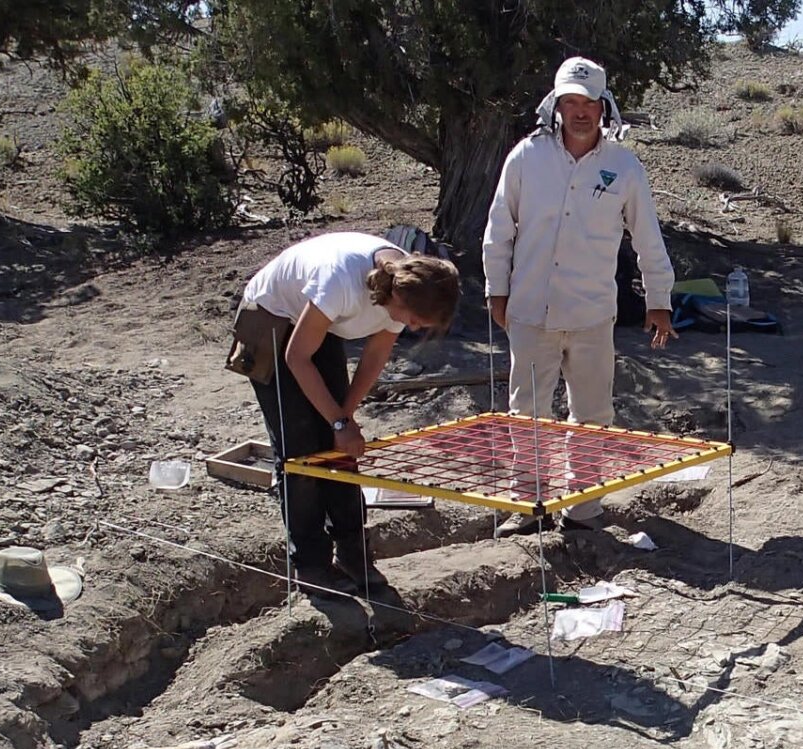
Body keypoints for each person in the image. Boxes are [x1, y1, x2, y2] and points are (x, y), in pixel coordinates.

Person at [483, 55, 677, 537]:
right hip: (530, 310)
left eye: (588, 102)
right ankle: (528, 504)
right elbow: (498, 230)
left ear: (603, 105)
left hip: (592, 315)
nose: (580, 111)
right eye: (571, 101)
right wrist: (496, 290)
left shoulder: (624, 167)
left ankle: (584, 509)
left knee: (591, 414)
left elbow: (647, 237)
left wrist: (660, 300)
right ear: (557, 104)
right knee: (528, 412)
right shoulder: (526, 157)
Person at [227, 232, 459, 590]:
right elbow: (296, 357)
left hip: (319, 320)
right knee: (299, 453)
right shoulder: (341, 281)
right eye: (414, 320)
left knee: (340, 452)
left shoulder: (405, 286)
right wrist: (337, 419)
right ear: (398, 297)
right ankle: (310, 564)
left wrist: (344, 420)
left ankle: (352, 553)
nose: (412, 328)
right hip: (272, 318)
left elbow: (374, 358)